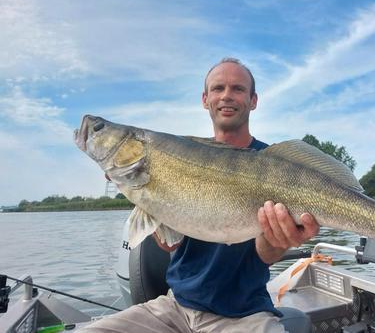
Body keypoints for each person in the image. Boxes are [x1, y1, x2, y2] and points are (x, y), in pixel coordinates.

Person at [79, 58, 319, 332]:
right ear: (205, 99)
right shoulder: (177, 154)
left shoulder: (274, 163)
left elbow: (265, 255)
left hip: (244, 315)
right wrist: (143, 196)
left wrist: (281, 238)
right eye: (218, 88)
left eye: (238, 89)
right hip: (174, 308)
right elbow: (170, 245)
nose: (226, 95)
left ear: (253, 100)